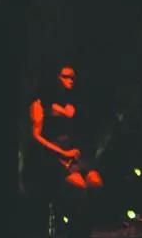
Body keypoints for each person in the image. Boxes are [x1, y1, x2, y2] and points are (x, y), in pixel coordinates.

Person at [29, 65, 103, 193]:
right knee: (79, 187)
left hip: (75, 152)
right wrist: (63, 153)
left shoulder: (72, 100)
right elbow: (36, 136)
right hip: (56, 155)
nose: (70, 80)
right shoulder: (40, 103)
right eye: (66, 77)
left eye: (72, 77)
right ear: (57, 78)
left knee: (96, 182)